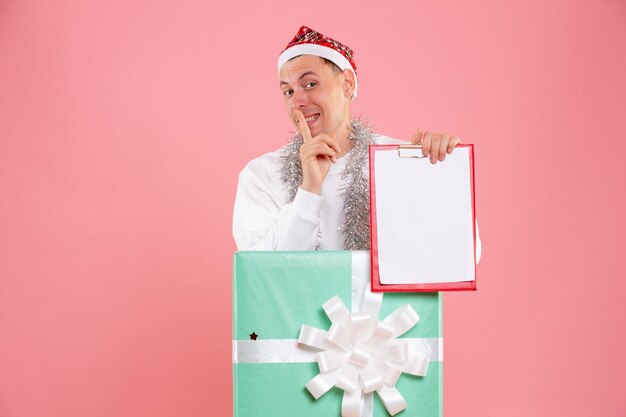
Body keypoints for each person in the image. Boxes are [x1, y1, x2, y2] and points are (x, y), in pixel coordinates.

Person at [233, 26, 480, 256]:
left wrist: (438, 175)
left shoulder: (397, 159)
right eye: (288, 91)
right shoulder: (261, 175)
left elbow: (465, 253)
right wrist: (308, 189)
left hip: (388, 306)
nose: (297, 101)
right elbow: (260, 271)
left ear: (347, 84)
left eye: (310, 84)